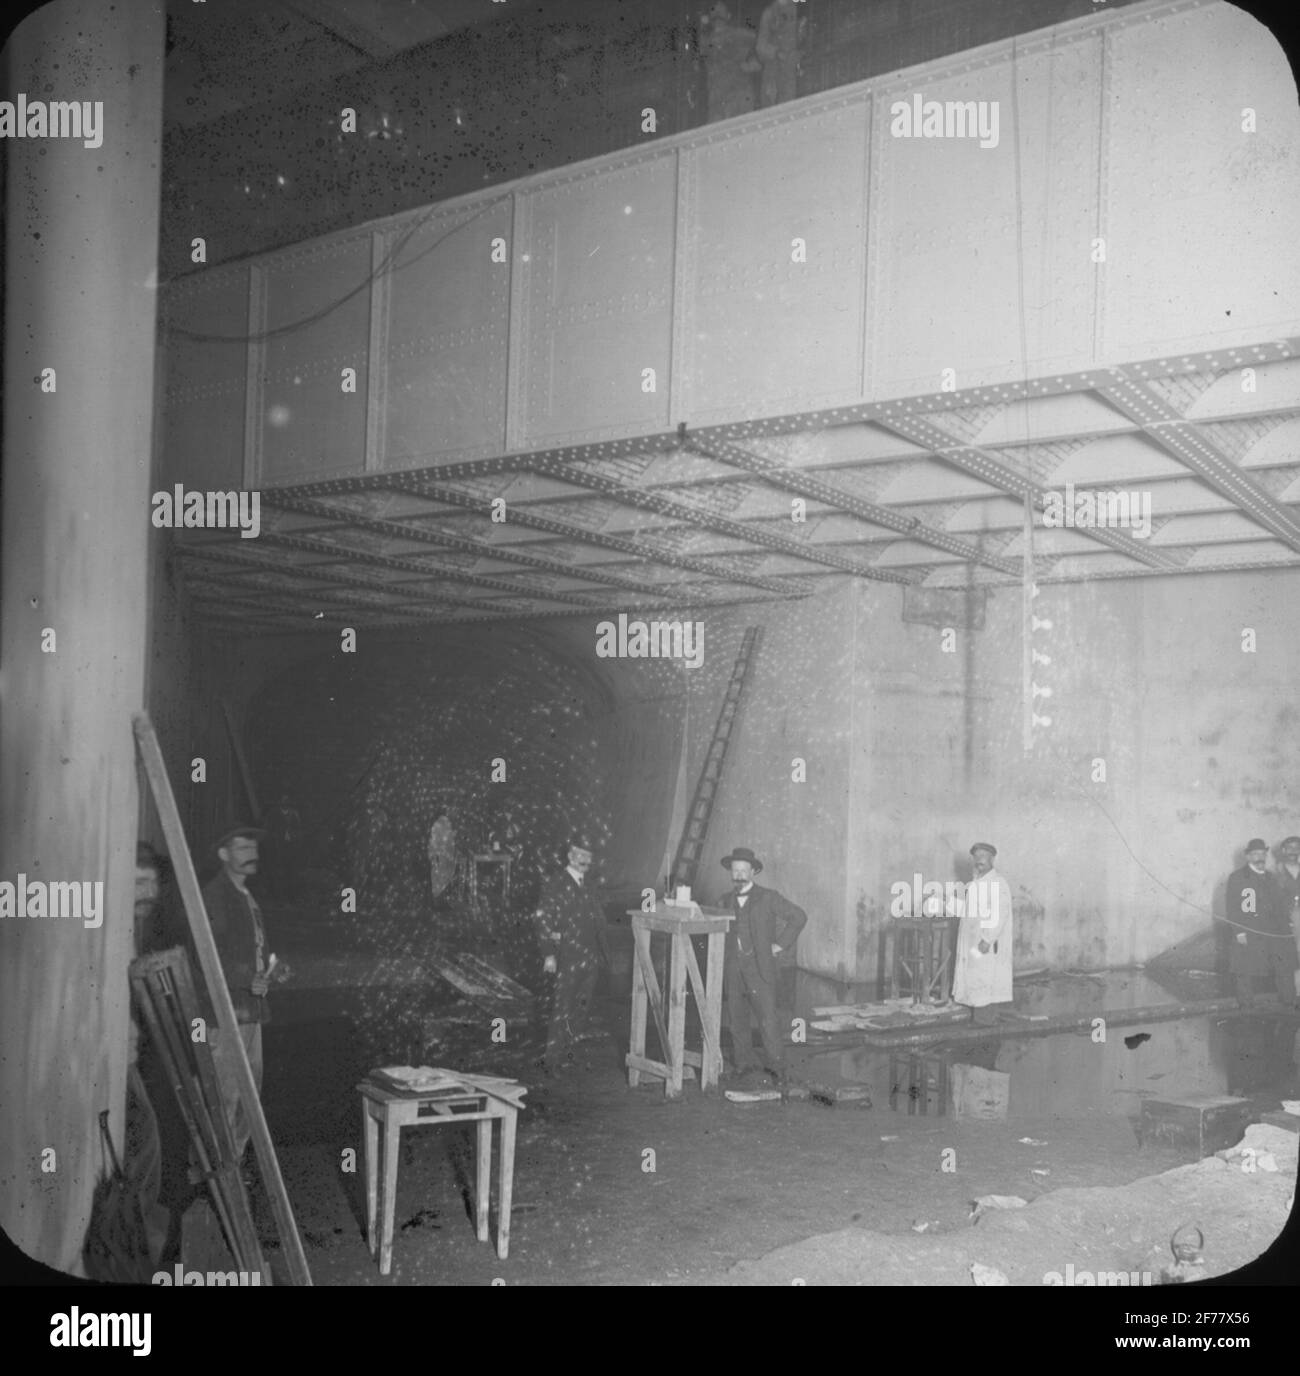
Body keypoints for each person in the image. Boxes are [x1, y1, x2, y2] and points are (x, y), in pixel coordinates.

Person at [201, 825, 290, 1164]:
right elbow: (206, 953)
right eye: (241, 847)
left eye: (253, 846)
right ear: (223, 855)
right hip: (225, 1014)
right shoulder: (215, 896)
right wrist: (245, 977)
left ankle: (233, 1169)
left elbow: (255, 950)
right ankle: (213, 1179)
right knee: (224, 1097)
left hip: (250, 1011)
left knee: (248, 1094)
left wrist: (273, 969)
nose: (251, 853)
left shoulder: (247, 896)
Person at [719, 846, 806, 1086]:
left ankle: (777, 1067)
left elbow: (799, 916)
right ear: (731, 873)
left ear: (753, 872)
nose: (739, 875)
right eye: (735, 870)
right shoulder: (724, 900)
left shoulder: (768, 897)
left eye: (743, 870)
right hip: (733, 967)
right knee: (737, 1018)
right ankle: (743, 1064)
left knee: (768, 1018)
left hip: (760, 967)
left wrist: (779, 946)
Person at [125, 842, 171, 1265]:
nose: (150, 892)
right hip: (113, 1062)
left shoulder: (137, 930)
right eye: (140, 882)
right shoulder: (105, 927)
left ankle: (142, 1249)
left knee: (148, 1146)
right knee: (146, 1146)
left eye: (154, 882)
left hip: (128, 1058)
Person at [534, 837, 607, 1072]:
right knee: (562, 1008)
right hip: (566, 956)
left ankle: (568, 1054)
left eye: (589, 856)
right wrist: (549, 955)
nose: (586, 860)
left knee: (581, 1009)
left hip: (589, 955)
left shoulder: (588, 885)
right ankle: (552, 1060)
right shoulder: (556, 884)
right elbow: (542, 919)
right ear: (570, 856)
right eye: (580, 855)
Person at [949, 843, 1014, 1025]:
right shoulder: (976, 884)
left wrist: (986, 940)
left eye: (983, 856)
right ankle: (978, 1025)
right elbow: (967, 911)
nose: (979, 860)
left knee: (984, 985)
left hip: (985, 945)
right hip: (973, 944)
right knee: (975, 984)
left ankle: (985, 1029)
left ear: (992, 859)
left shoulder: (997, 883)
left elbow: (1000, 914)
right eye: (976, 856)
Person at [1227, 838, 1296, 1008]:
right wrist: (1239, 932)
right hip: (1249, 929)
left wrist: (1288, 925)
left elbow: (1279, 904)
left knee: (1284, 964)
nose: (1260, 857)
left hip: (1273, 930)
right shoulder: (1237, 877)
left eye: (1262, 854)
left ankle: (1289, 1003)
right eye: (1255, 854)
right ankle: (1246, 1005)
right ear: (1248, 856)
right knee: (1244, 968)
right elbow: (1232, 906)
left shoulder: (1271, 877)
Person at [700, 2, 759, 122]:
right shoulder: (706, 42)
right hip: (717, 96)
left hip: (739, 93)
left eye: (720, 12)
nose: (717, 15)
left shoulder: (740, 35)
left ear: (728, 15)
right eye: (714, 11)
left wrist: (753, 64)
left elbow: (760, 46)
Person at [755, 0, 802, 108]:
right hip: (774, 70)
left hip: (794, 69)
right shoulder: (769, 13)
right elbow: (760, 46)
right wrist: (776, 53)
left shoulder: (798, 8)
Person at [1273, 836, 1300, 975]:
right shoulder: (1275, 873)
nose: (1293, 851)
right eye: (1290, 848)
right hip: (1286, 919)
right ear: (1283, 850)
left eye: (1297, 847)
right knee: (1292, 954)